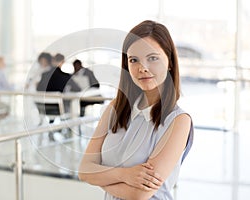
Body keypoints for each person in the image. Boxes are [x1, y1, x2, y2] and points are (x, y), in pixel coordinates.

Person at [78, 20, 194, 200]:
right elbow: (84, 170)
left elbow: (140, 194)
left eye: (153, 58)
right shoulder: (115, 109)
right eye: (134, 60)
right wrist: (124, 175)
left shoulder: (178, 121)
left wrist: (99, 176)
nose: (143, 68)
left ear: (170, 62)